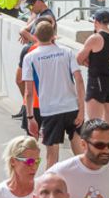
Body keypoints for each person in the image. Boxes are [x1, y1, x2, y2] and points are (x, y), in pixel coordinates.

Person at [22, 21, 84, 168]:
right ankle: (86, 177)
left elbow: (29, 92)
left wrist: (30, 117)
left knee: (52, 156)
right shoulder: (67, 52)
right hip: (71, 107)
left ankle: (47, 188)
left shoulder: (30, 57)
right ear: (53, 35)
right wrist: (82, 110)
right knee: (80, 150)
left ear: (35, 36)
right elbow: (79, 81)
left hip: (50, 110)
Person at [76, 8, 109, 128]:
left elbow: (78, 59)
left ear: (96, 21)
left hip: (97, 82)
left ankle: (95, 147)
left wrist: (87, 62)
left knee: (95, 124)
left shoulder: (95, 38)